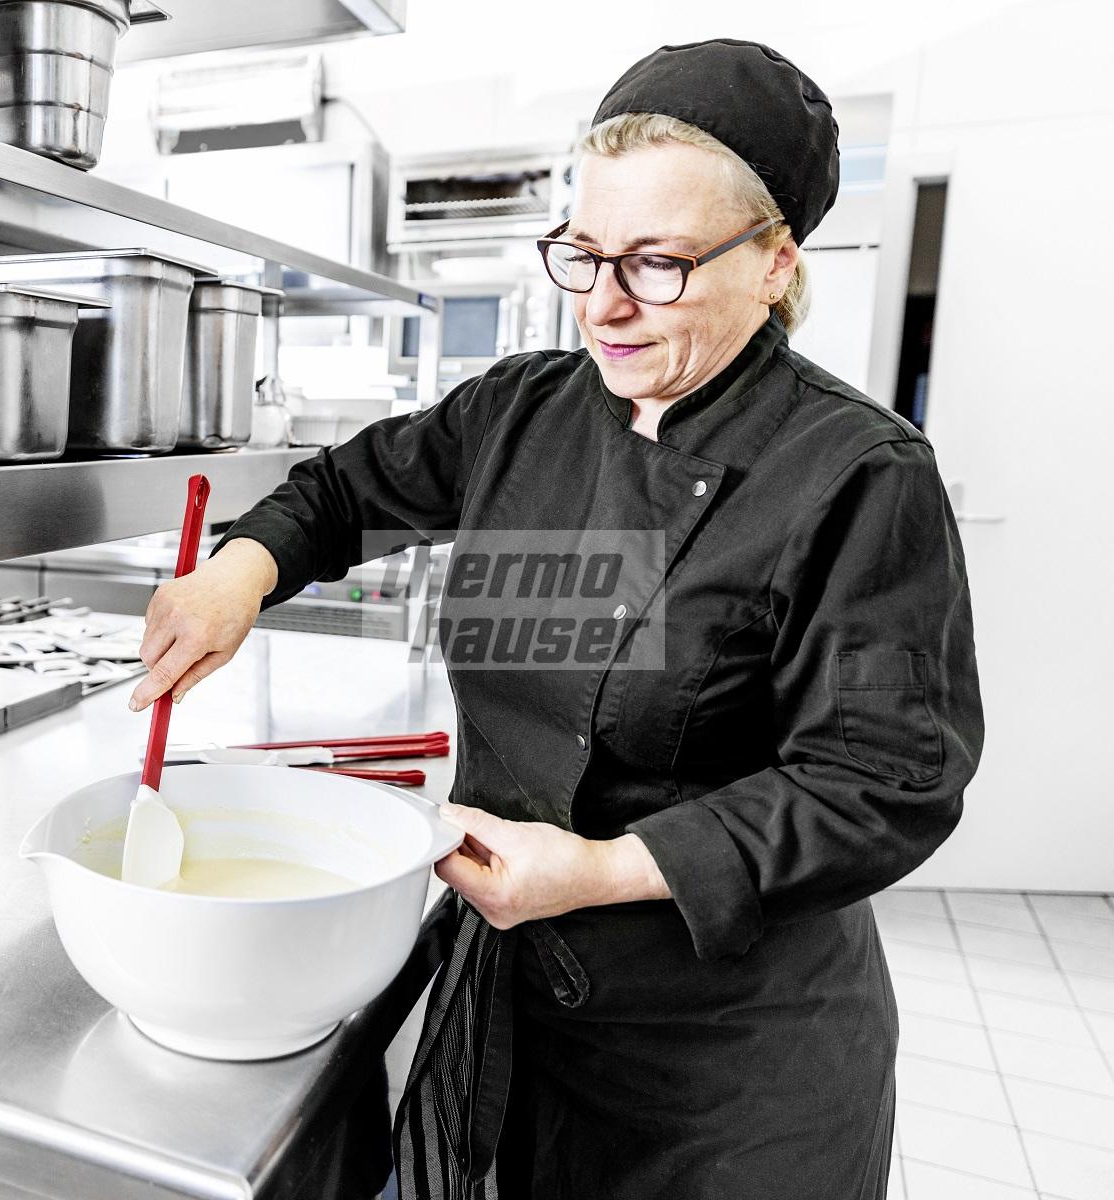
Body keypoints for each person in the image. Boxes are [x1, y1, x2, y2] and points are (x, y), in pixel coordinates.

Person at [131, 38, 984, 1200]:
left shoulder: (858, 474)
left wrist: (601, 867)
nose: (604, 305)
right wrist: (240, 571)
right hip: (521, 1001)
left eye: (658, 264)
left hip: (728, 1068)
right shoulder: (522, 411)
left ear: (775, 262)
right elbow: (342, 492)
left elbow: (884, 782)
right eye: (582, 255)